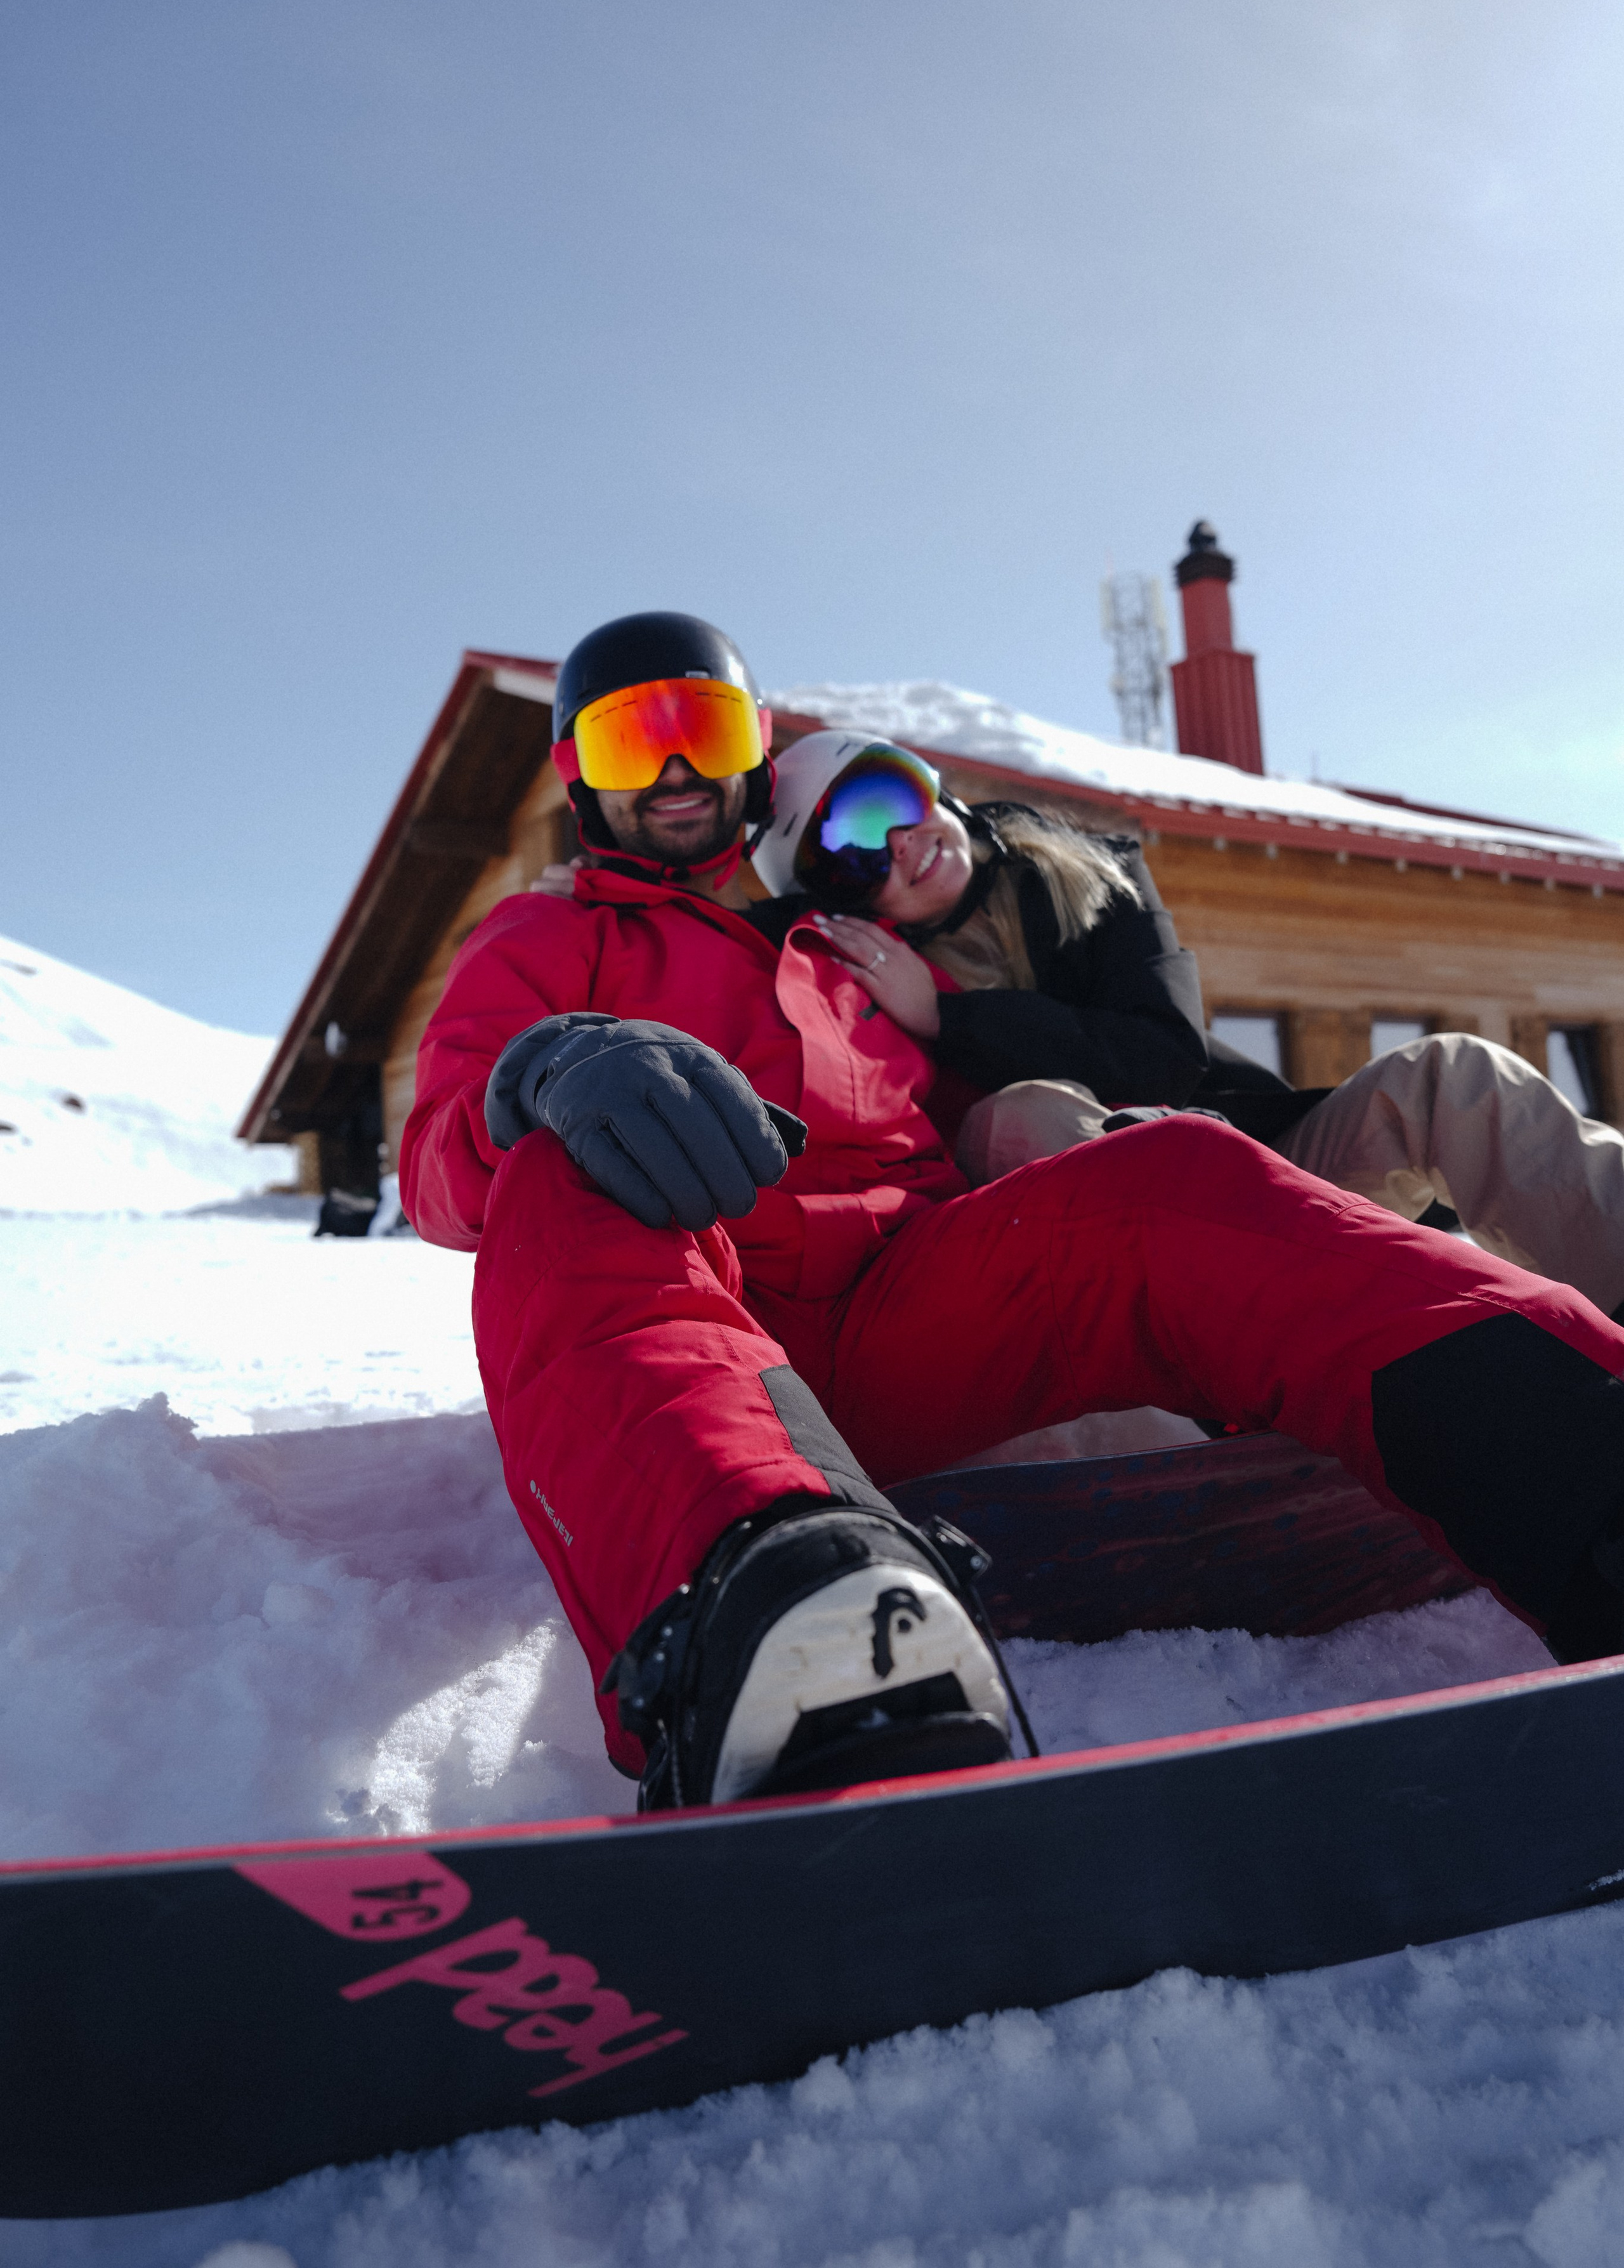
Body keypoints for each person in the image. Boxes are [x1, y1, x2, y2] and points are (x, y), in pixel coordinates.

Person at [402, 614, 1624, 1817]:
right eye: (631, 745)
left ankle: (1580, 1459)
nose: (674, 772)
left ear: (753, 751)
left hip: (915, 1308)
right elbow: (442, 1168)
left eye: (702, 730)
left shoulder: (846, 961)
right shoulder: (548, 938)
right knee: (571, 1168)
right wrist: (539, 1075)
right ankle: (783, 1605)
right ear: (575, 777)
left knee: (1172, 1178)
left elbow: (991, 1122)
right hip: (717, 1311)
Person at [752, 729, 1624, 1325]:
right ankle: (1212, 1385)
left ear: (928, 783)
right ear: (836, 902)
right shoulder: (860, 977)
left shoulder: (1094, 874)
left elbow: (1162, 1057)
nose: (900, 845)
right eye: (853, 855)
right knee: (1022, 1119)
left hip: (1265, 1184)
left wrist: (951, 1016)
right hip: (1120, 1277)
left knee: (1453, 1075)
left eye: (886, 799)